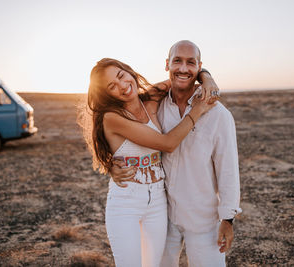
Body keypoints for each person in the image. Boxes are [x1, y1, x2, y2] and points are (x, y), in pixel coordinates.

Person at [111, 40, 242, 266]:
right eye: (177, 61)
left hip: (203, 219)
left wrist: (228, 219)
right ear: (167, 65)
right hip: (162, 216)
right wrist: (111, 164)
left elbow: (228, 168)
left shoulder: (218, 114)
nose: (183, 68)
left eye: (191, 63)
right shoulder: (155, 106)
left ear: (199, 67)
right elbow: (132, 141)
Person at [80, 58, 217, 267]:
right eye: (112, 87)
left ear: (128, 71)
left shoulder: (151, 99)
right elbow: (168, 143)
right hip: (126, 203)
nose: (122, 86)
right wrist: (197, 110)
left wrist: (206, 77)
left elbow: (179, 76)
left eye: (120, 76)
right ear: (106, 94)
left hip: (157, 202)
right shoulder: (112, 117)